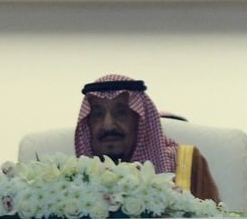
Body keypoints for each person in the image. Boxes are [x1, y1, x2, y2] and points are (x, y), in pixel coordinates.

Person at [75, 73, 220, 202]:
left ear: (140, 120)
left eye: (121, 113)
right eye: (97, 115)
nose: (108, 125)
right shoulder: (73, 178)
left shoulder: (187, 162)